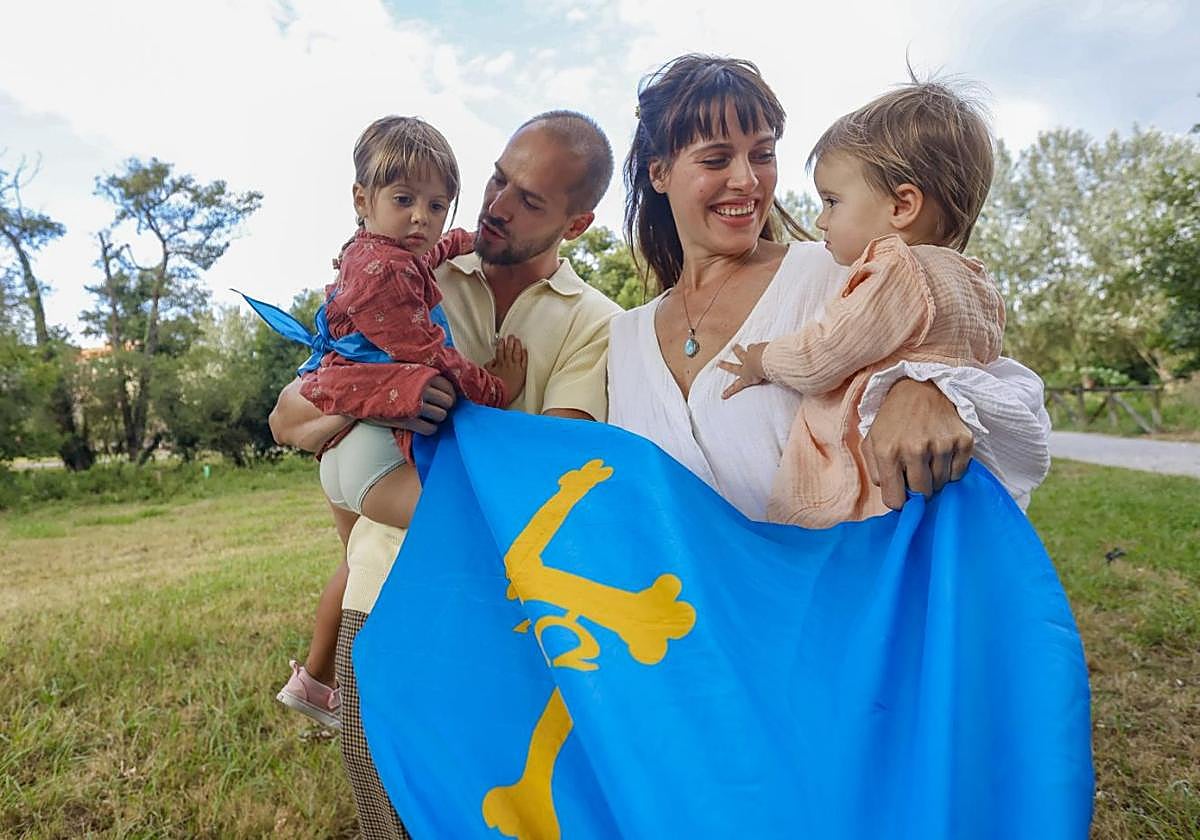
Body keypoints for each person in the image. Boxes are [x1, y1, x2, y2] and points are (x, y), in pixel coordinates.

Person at [269, 110, 623, 839]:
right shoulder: (408, 270)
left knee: (493, 815)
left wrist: (403, 391)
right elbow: (288, 419)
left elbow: (549, 467)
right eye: (498, 179)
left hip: (510, 617)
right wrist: (382, 391)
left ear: (578, 223)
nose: (494, 206)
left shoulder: (598, 322)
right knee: (388, 813)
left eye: (529, 200)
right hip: (382, 597)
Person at [608, 54, 1050, 529]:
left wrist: (930, 389)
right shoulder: (622, 338)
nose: (747, 180)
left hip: (835, 594)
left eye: (763, 154)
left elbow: (1009, 388)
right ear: (659, 173)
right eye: (716, 159)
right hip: (670, 602)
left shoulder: (846, 272)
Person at [249, 116, 527, 734]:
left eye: (435, 204)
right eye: (404, 201)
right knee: (472, 521)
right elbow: (432, 356)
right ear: (361, 200)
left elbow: (433, 249)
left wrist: (464, 241)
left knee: (355, 564)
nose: (421, 218)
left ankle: (316, 682)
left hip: (345, 455)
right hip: (371, 454)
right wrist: (496, 385)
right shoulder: (386, 274)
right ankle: (385, 694)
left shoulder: (381, 253)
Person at [718, 80, 1008, 528]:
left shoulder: (895, 270)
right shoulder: (976, 283)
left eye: (833, 201)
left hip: (864, 496)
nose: (820, 219)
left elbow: (822, 355)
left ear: (902, 205)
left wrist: (762, 358)